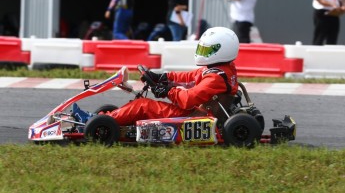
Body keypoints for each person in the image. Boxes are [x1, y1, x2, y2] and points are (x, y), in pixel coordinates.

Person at [72, 27, 240, 126]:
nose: (203, 54)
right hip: (198, 111)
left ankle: (94, 121)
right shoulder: (221, 70)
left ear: (222, 51)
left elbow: (189, 99)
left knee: (143, 106)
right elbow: (189, 76)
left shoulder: (217, 77)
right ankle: (105, 118)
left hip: (197, 118)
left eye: (208, 51)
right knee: (142, 104)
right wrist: (161, 77)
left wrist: (168, 91)